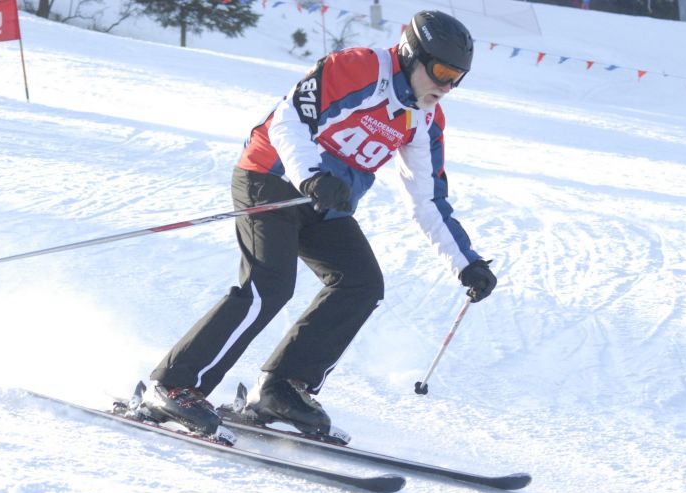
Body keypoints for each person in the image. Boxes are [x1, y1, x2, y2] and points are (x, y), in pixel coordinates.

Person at [141, 10, 497, 440]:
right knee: (268, 286)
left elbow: (428, 199)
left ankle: (280, 388)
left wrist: (466, 263)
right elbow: (289, 119)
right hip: (271, 177)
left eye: (457, 77)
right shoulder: (358, 68)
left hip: (326, 205)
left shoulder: (424, 119)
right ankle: (174, 385)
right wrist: (310, 174)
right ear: (411, 54)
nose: (446, 86)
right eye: (441, 71)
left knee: (361, 284)